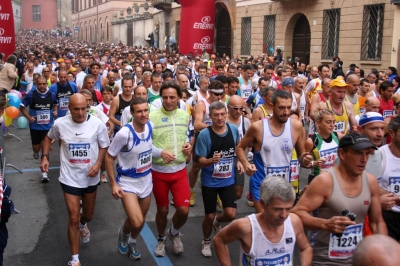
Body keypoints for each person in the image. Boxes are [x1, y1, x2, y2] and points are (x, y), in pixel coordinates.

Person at [292, 132, 387, 265]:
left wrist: (385, 251)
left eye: (367, 154)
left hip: (356, 260)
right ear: (342, 154)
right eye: (358, 153)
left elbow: (377, 222)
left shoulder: (370, 182)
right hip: (324, 261)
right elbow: (295, 215)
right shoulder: (325, 182)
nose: (364, 159)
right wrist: (325, 224)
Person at [40, 94, 110, 266]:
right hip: (69, 177)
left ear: (87, 106)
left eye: (83, 108)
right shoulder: (60, 124)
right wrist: (45, 157)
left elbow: (104, 145)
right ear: (69, 109)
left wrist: (98, 163)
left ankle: (84, 223)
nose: (80, 113)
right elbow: (48, 138)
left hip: (89, 177)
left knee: (88, 215)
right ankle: (75, 259)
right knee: (73, 217)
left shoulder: (97, 124)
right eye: (76, 109)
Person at [236, 90, 312, 213]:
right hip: (260, 183)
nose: (286, 112)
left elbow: (301, 155)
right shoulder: (258, 127)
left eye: (288, 107)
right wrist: (246, 164)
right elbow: (240, 147)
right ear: (272, 106)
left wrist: (305, 159)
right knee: (264, 222)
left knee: (280, 223)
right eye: (281, 108)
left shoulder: (297, 127)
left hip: (283, 184)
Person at [213, 176, 312, 266]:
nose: (284, 215)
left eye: (288, 209)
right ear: (263, 204)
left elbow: (306, 249)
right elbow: (219, 240)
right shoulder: (246, 227)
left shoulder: (294, 222)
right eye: (277, 209)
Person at [105, 97, 154, 261]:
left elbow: (148, 148)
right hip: (127, 182)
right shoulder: (124, 133)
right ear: (132, 113)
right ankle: (124, 233)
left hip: (146, 180)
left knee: (140, 219)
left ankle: (132, 240)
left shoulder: (150, 126)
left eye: (145, 110)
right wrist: (113, 184)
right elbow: (109, 157)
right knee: (137, 221)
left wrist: (163, 153)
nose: (143, 114)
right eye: (139, 111)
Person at [149, 81, 192, 257]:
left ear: (179, 97)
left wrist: (188, 146)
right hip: (159, 172)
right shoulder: (151, 116)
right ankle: (160, 238)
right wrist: (160, 152)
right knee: (163, 211)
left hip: (180, 171)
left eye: (172, 97)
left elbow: (187, 136)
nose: (168, 100)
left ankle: (173, 233)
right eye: (165, 97)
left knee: (183, 210)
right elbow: (144, 144)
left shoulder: (184, 115)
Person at [195, 101, 242, 257]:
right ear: (211, 116)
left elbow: (239, 148)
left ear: (226, 114)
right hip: (209, 181)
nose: (220, 118)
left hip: (228, 179)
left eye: (222, 114)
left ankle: (217, 222)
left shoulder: (233, 129)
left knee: (230, 214)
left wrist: (241, 162)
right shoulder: (205, 135)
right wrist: (211, 161)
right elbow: (199, 160)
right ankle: (206, 240)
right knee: (209, 215)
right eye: (216, 115)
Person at [20, 76, 58, 182]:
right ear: (36, 84)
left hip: (47, 127)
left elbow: (55, 104)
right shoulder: (31, 95)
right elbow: (22, 107)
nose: (42, 86)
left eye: (43, 84)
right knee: (36, 149)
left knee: (45, 151)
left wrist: (55, 111)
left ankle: (44, 173)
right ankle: (36, 152)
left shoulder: (51, 94)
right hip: (35, 127)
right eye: (39, 84)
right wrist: (29, 118)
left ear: (46, 84)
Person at [306, 108, 343, 183]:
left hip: (334, 178)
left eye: (333, 122)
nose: (332, 125)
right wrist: (314, 163)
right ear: (319, 123)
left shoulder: (338, 136)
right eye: (328, 122)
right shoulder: (311, 141)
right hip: (317, 179)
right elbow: (303, 163)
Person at [378, 116, 400, 241]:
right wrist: (394, 198)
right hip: (387, 216)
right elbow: (370, 184)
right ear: (392, 133)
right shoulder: (379, 155)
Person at [226, 95, 251, 199]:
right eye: (235, 108)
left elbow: (250, 140)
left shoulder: (246, 122)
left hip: (239, 158)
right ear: (228, 107)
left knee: (238, 194)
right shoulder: (223, 121)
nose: (238, 111)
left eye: (241, 108)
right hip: (224, 158)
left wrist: (249, 153)